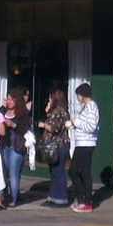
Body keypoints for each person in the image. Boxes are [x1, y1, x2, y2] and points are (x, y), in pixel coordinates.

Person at [66, 83, 99, 213]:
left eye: (78, 95)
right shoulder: (85, 107)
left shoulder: (91, 106)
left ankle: (86, 202)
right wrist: (73, 126)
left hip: (86, 144)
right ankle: (82, 200)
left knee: (78, 172)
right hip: (81, 143)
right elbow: (83, 125)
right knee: (76, 171)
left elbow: (91, 127)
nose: (77, 98)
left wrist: (75, 122)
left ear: (82, 94)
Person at [39, 89, 71, 208]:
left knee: (58, 172)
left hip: (58, 145)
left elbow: (55, 128)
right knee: (53, 172)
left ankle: (61, 198)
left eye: (51, 98)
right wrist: (47, 112)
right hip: (55, 145)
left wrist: (43, 125)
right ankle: (53, 196)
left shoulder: (59, 111)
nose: (49, 100)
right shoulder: (56, 111)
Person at [1, 88, 31, 206]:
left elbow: (24, 130)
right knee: (5, 173)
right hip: (5, 146)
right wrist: (3, 107)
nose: (8, 101)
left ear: (16, 100)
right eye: (7, 99)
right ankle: (9, 195)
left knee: (14, 173)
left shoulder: (23, 113)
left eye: (10, 99)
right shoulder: (4, 111)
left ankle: (14, 199)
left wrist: (12, 124)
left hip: (17, 147)